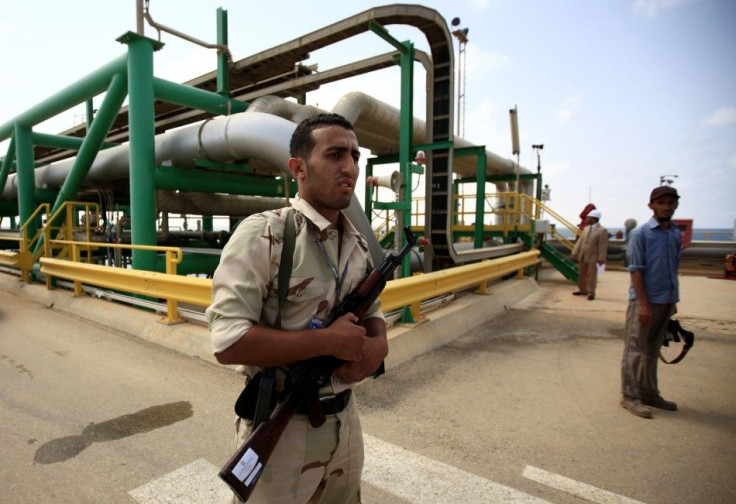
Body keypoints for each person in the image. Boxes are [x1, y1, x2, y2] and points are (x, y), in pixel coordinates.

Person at [206, 113, 388, 502]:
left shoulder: (356, 242)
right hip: (283, 427)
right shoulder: (265, 233)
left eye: (355, 156)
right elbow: (229, 342)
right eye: (335, 154)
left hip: (344, 422)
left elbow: (374, 316)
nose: (350, 167)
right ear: (298, 168)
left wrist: (378, 345)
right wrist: (327, 343)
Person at [620, 186, 681, 419]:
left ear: (676, 205)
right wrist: (643, 304)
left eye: (670, 203)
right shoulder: (641, 234)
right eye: (661, 203)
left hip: (666, 300)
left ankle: (648, 392)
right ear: (651, 206)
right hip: (645, 301)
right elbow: (636, 271)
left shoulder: (674, 233)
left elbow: (673, 268)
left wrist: (672, 301)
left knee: (653, 350)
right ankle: (629, 395)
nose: (666, 207)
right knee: (635, 348)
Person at [570, 209, 608, 301]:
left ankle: (591, 293)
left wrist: (601, 258)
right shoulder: (586, 229)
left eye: (588, 217)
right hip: (583, 255)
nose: (586, 219)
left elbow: (603, 245)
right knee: (582, 274)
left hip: (593, 257)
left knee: (591, 275)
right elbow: (580, 241)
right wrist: (575, 252)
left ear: (594, 219)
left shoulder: (602, 230)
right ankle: (582, 290)